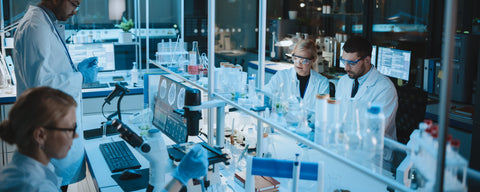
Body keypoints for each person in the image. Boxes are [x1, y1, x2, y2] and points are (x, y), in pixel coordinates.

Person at [12, 0, 99, 189]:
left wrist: (75, 70)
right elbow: (41, 87)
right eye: (73, 3)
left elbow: (48, 73)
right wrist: (81, 77)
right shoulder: (36, 27)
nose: (75, 11)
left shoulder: (44, 23)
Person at [0, 87, 78, 191]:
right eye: (70, 129)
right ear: (40, 135)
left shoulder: (15, 170)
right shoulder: (37, 187)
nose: (76, 135)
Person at [335, 36, 398, 139]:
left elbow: (374, 132)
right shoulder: (344, 81)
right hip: (344, 143)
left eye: (352, 63)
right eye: (344, 61)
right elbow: (338, 116)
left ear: (367, 60)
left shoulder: (385, 89)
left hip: (373, 150)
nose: (346, 68)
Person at [264, 39, 330, 112]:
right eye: (295, 58)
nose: (298, 63)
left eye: (303, 60)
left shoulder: (322, 83)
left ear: (313, 60)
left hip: (310, 122)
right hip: (283, 121)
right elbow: (265, 95)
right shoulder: (281, 76)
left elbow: (323, 111)